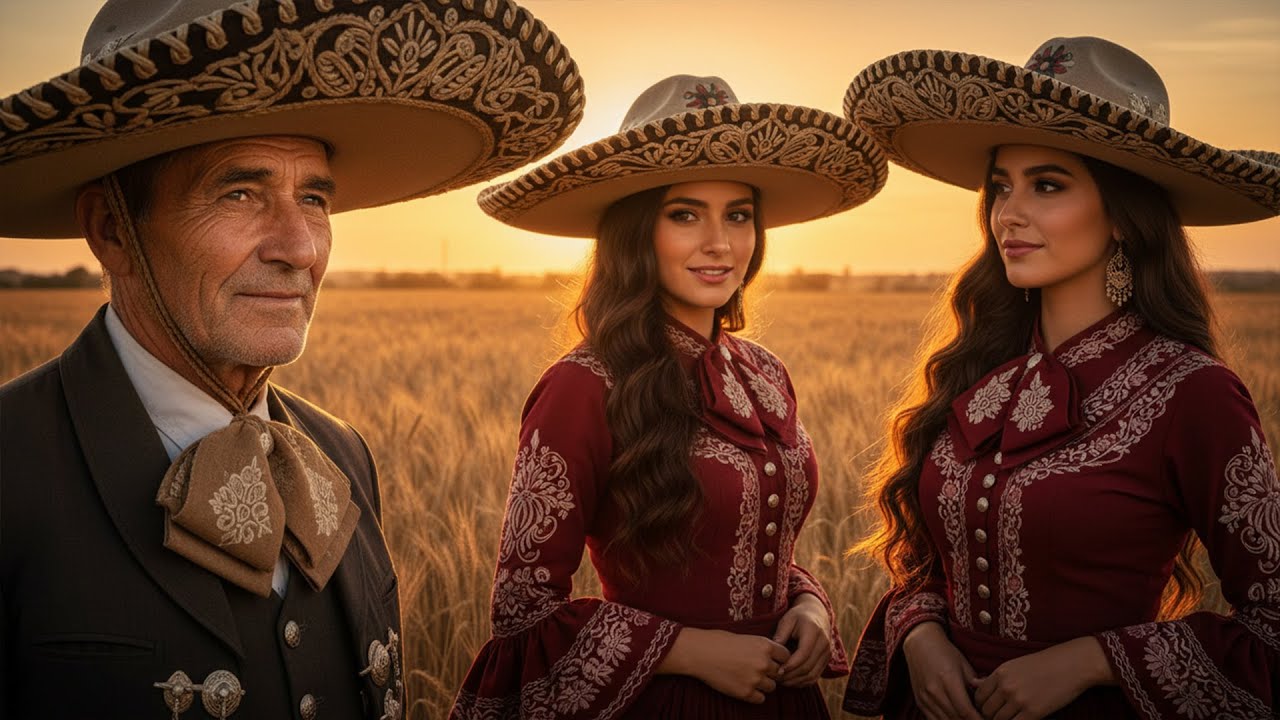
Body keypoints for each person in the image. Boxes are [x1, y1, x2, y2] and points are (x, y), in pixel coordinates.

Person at [0, 0, 583, 718]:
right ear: (112, 230)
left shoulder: (343, 455)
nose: (300, 248)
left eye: (313, 198)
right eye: (239, 192)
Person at [839, 37, 1280, 720]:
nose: (1008, 212)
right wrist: (921, 634)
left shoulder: (1193, 392)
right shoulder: (981, 374)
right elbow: (930, 564)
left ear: (1124, 217)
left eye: (1047, 185)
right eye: (1001, 186)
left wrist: (1092, 662)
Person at [449, 74, 889, 718]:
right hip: (663, 700)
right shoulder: (583, 386)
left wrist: (810, 606)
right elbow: (522, 609)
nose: (720, 242)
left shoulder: (765, 373)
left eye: (738, 215)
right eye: (685, 215)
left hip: (783, 700)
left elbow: (748, 540)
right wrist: (691, 651)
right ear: (636, 232)